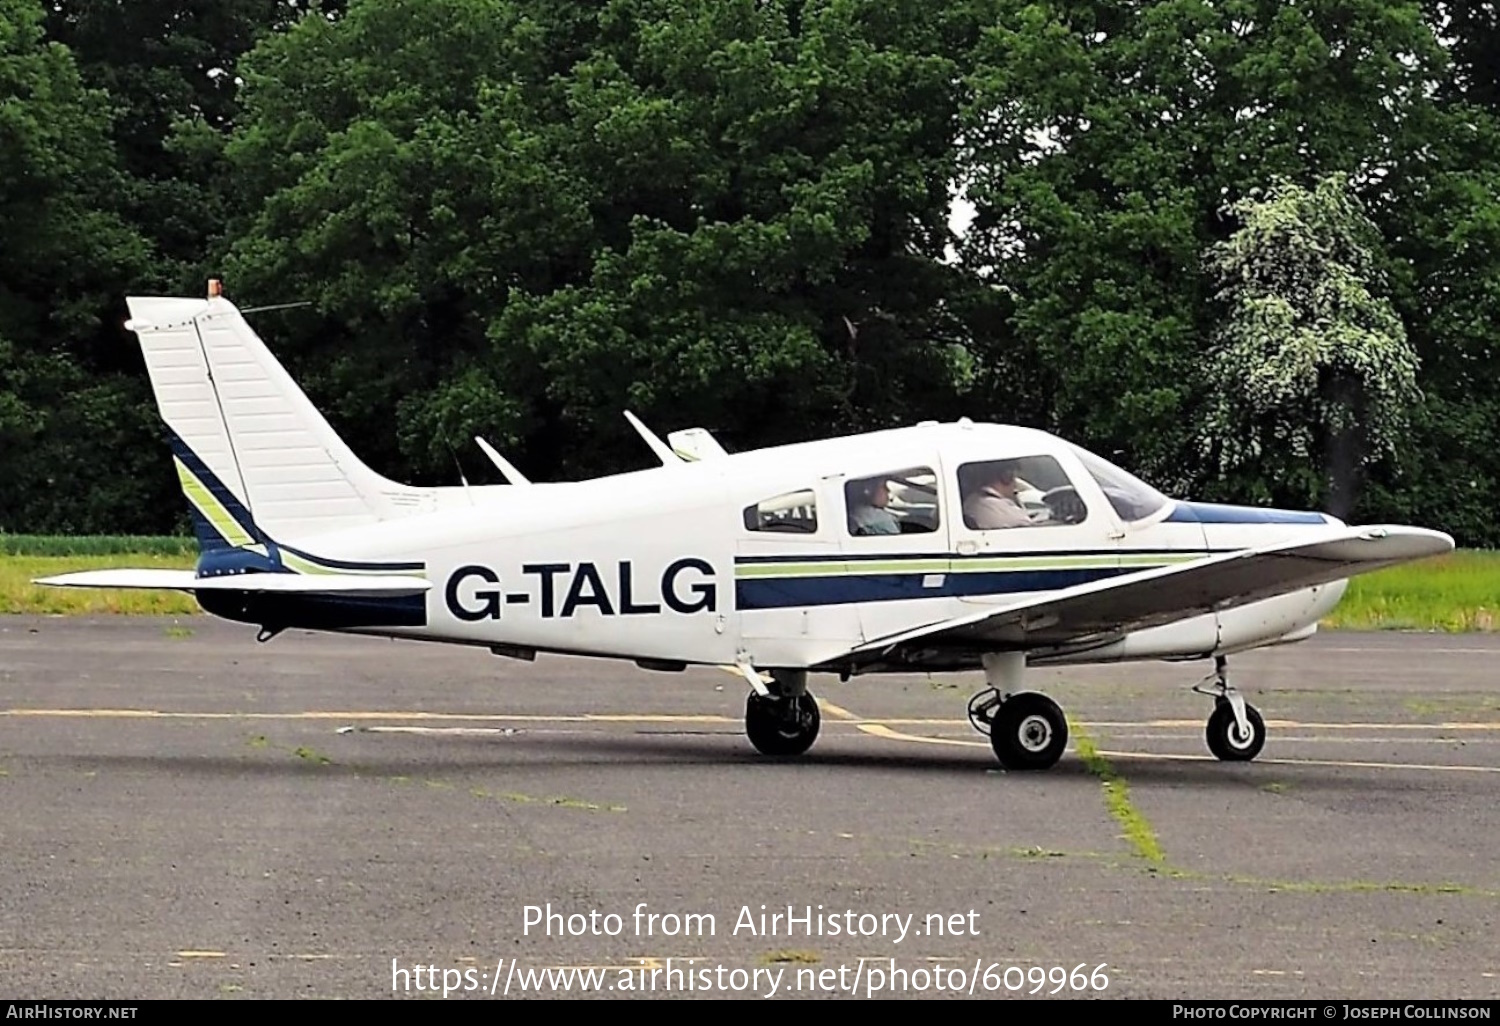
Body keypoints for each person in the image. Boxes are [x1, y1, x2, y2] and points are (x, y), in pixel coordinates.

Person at [963, 463, 1031, 529]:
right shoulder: (1001, 509)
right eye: (1013, 478)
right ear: (1006, 477)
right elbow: (1027, 523)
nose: (1015, 485)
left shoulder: (970, 501)